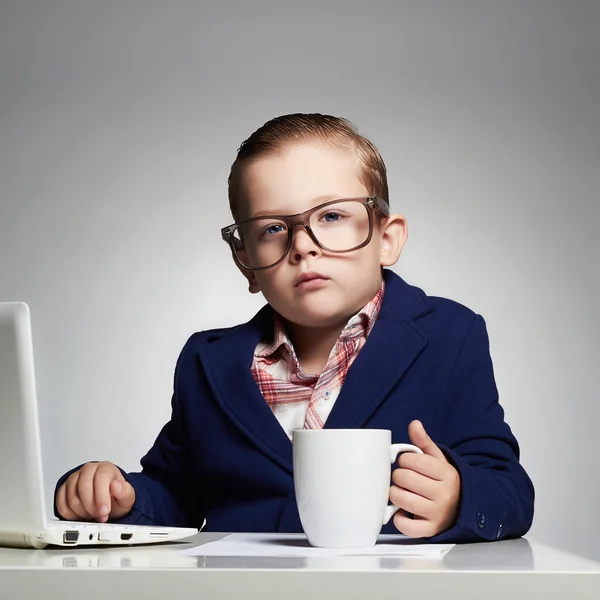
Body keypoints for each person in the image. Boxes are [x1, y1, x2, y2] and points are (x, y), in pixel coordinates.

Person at [54, 113, 534, 542]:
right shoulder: (209, 361)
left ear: (386, 239)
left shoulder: (451, 335)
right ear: (245, 261)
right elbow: (176, 491)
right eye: (272, 228)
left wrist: (457, 497)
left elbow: (508, 488)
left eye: (331, 215)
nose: (303, 245)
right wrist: (117, 494)